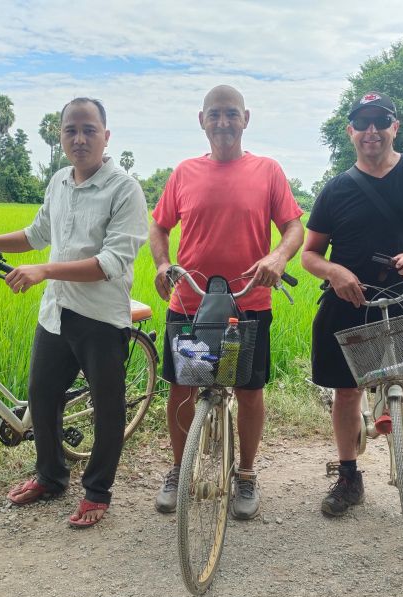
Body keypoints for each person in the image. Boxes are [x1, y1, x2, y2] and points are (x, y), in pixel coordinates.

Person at [0, 98, 147, 528]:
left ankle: (97, 491)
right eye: (71, 129)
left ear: (106, 136)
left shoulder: (124, 189)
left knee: (108, 407)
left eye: (89, 129)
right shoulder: (59, 182)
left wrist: (44, 270)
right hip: (57, 311)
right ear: (60, 136)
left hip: (100, 317)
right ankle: (51, 476)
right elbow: (36, 233)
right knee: (42, 395)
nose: (79, 138)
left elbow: (111, 263)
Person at [301, 91, 403, 543]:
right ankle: (350, 475)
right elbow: (310, 254)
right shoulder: (336, 189)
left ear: (395, 126)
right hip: (349, 304)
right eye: (362, 122)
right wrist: (335, 271)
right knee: (347, 395)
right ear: (351, 131)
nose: (371, 130)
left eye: (381, 121)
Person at [149, 85, 304, 519]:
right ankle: (179, 469)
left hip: (247, 301)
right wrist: (163, 265)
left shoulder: (268, 171)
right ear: (201, 120)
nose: (223, 122)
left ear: (246, 118)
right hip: (190, 302)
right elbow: (159, 227)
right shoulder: (183, 173)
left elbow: (294, 227)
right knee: (182, 386)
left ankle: (248, 473)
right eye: (214, 114)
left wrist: (277, 256)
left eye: (231, 114)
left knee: (248, 390)